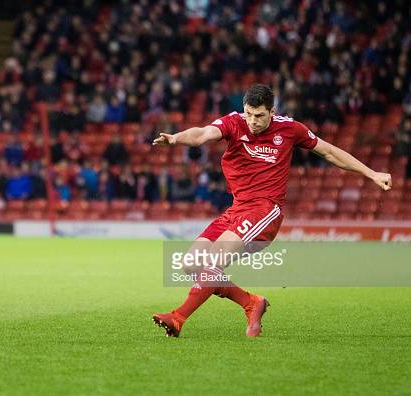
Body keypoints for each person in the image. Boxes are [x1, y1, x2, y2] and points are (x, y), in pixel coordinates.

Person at [151, 84, 392, 338]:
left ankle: (178, 318)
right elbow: (202, 134)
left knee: (212, 262)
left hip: (265, 210)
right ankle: (251, 303)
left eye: (259, 116)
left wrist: (371, 173)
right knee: (191, 264)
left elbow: (329, 152)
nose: (253, 122)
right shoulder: (234, 123)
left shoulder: (289, 129)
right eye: (249, 114)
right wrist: (176, 138)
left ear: (272, 112)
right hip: (237, 208)